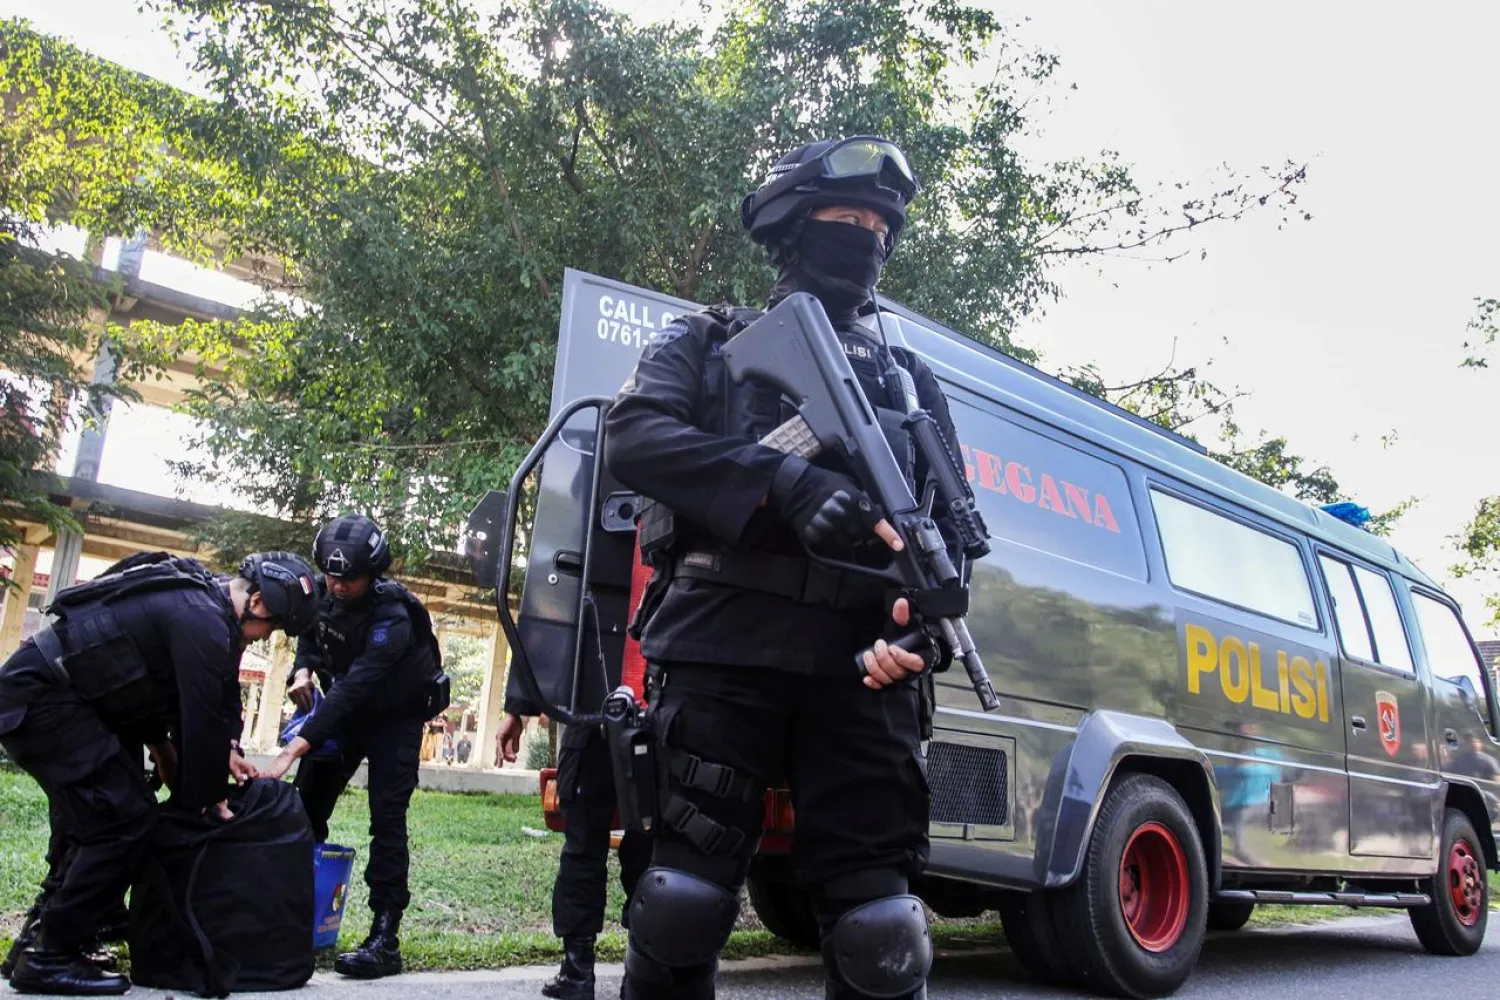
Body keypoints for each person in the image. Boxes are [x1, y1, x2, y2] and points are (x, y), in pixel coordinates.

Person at [601, 135, 969, 1000]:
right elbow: (635, 436)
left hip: (863, 676)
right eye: (848, 218)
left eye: (882, 225)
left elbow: (952, 538)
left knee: (884, 935)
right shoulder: (704, 340)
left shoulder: (912, 383)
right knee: (680, 906)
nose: (868, 237)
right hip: (725, 649)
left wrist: (918, 640)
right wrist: (782, 481)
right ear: (793, 229)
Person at [0, 550, 318, 996]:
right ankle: (50, 955)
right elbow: (199, 718)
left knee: (101, 817)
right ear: (259, 603)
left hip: (68, 700)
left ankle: (42, 943)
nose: (266, 636)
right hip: (44, 700)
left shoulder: (205, 605)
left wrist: (216, 752)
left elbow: (204, 695)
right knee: (122, 819)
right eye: (272, 627)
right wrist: (209, 794)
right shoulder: (203, 619)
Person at [259, 514, 447, 981]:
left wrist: (294, 747)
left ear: (374, 573)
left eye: (351, 579)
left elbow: (353, 689)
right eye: (331, 576)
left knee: (387, 822)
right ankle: (286, 917)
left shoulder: (394, 617)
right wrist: (301, 670)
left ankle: (385, 938)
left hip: (393, 718)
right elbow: (310, 631)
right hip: (345, 714)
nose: (338, 587)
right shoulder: (324, 592)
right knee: (304, 811)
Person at [499, 702, 652, 998]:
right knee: (648, 847)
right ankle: (644, 972)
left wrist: (516, 710)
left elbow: (543, 653)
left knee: (584, 848)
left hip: (593, 715)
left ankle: (578, 971)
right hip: (650, 715)